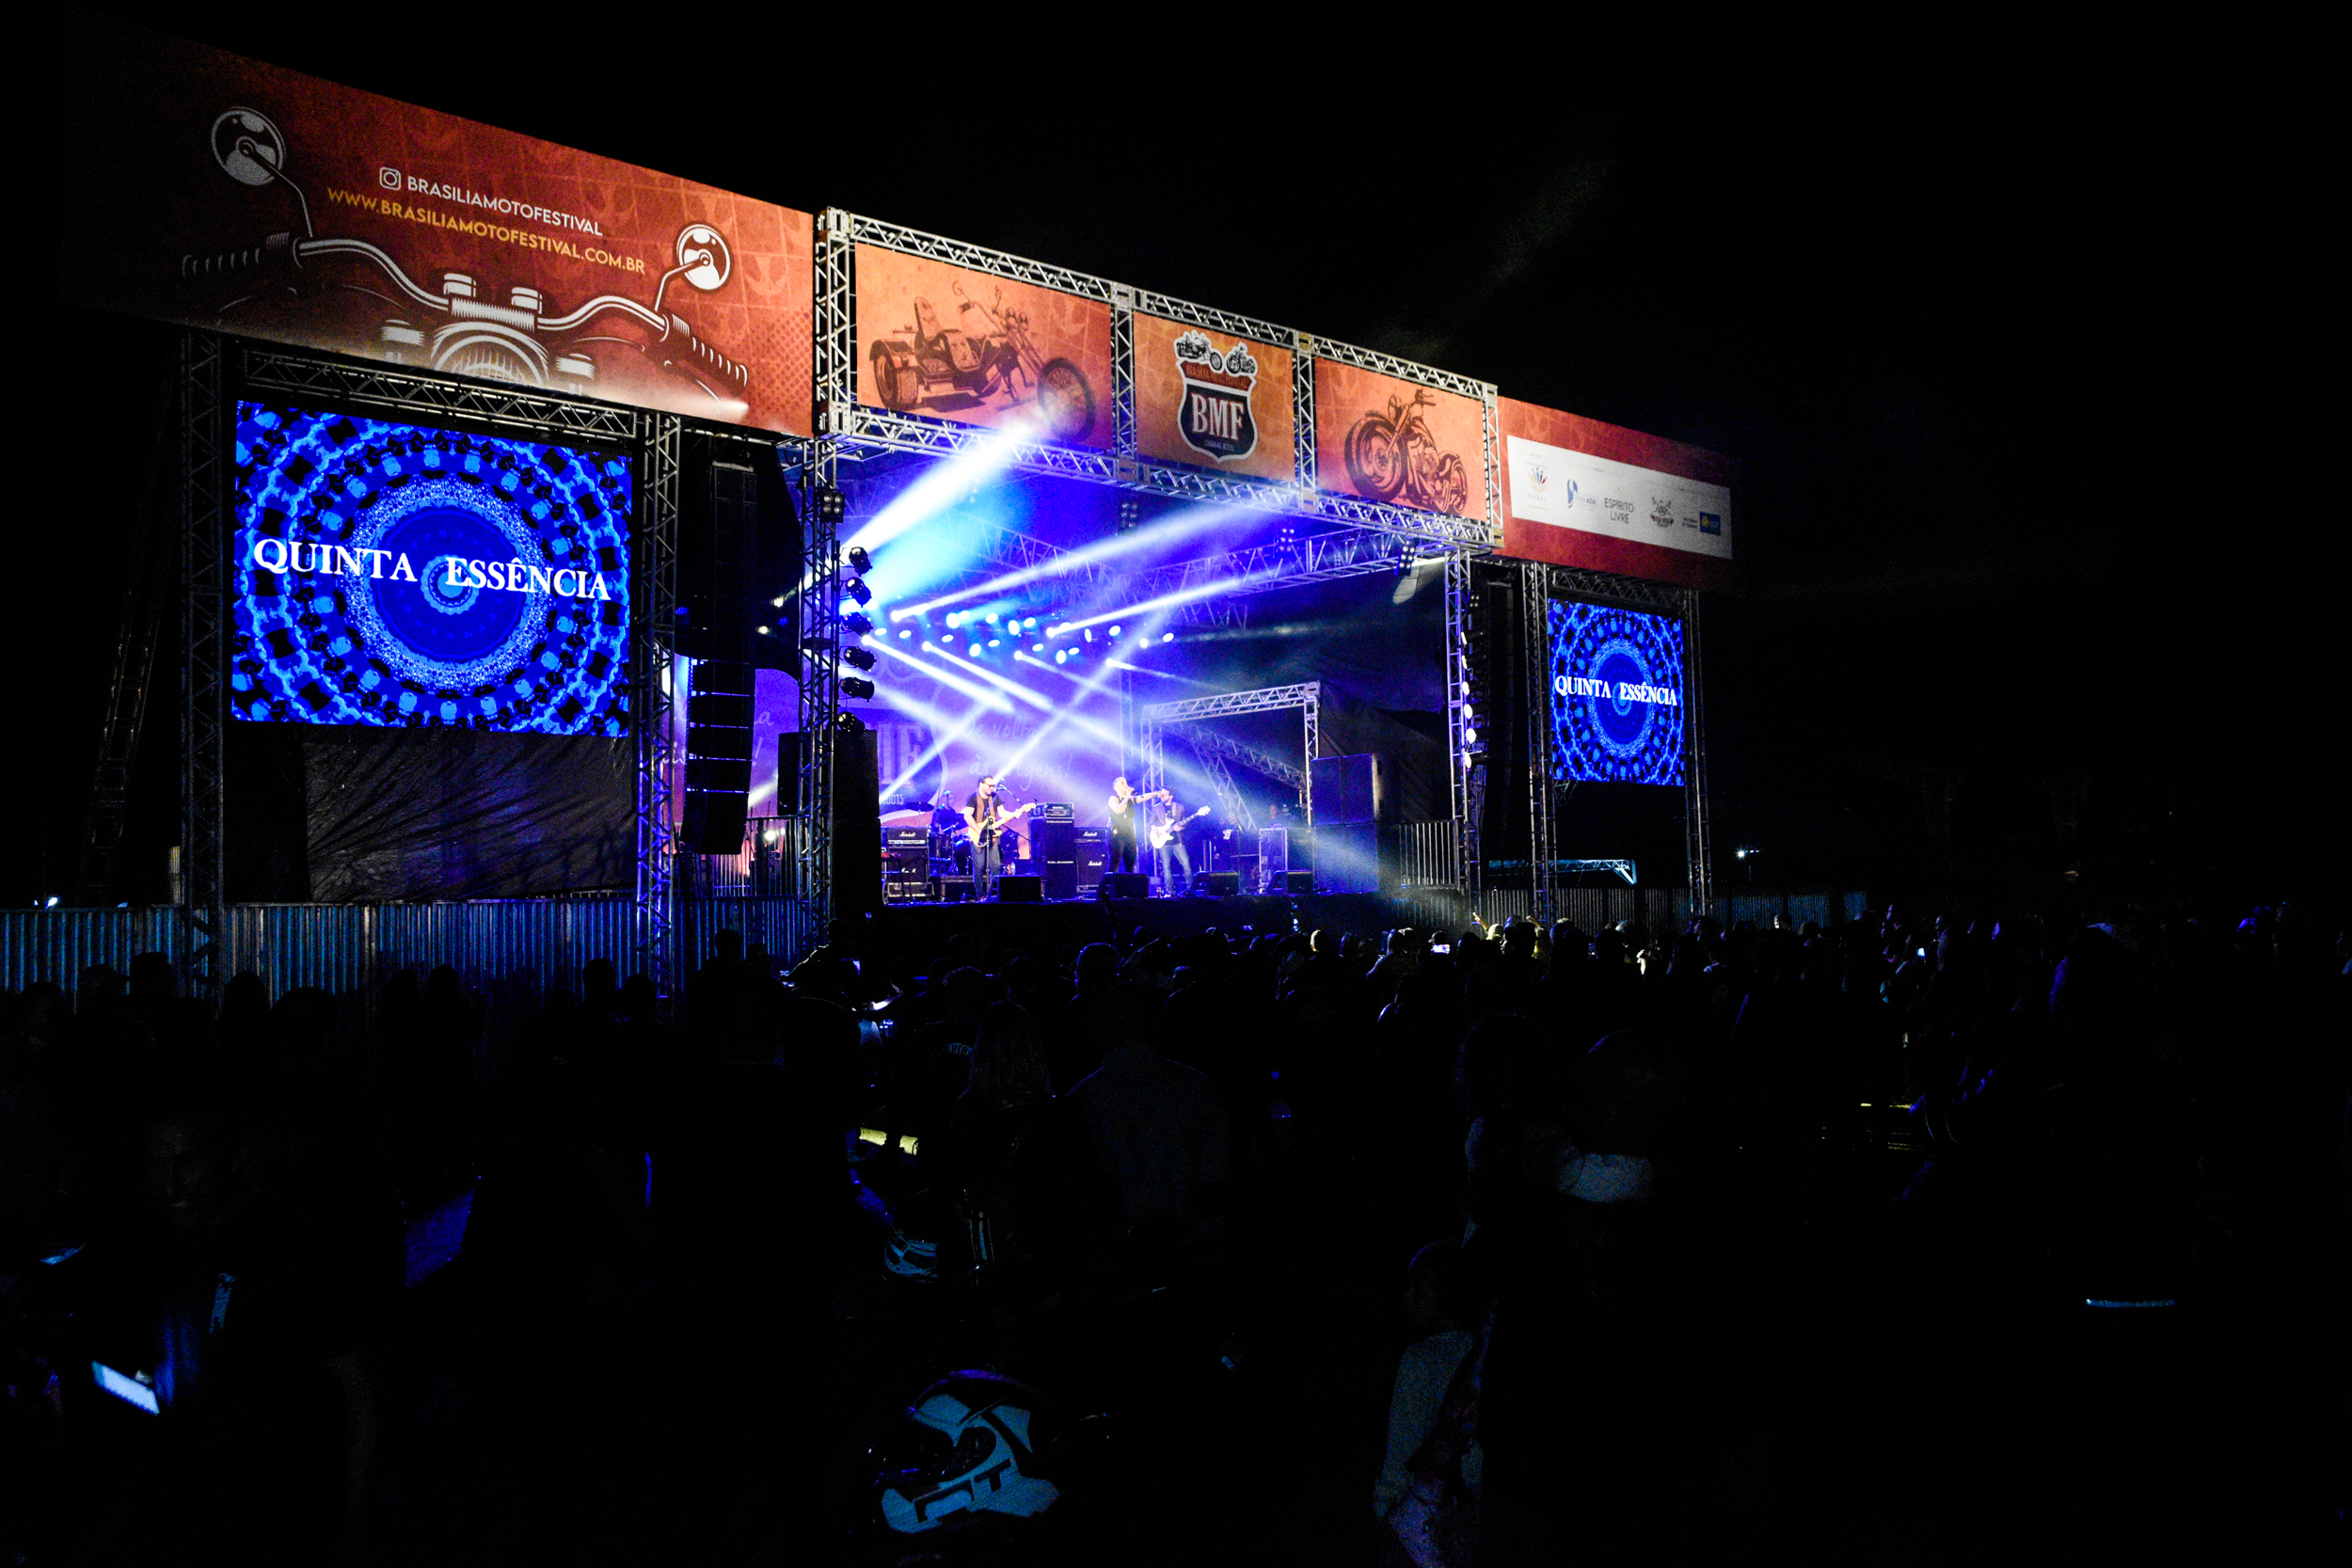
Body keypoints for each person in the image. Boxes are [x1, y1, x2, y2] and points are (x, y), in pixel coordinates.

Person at [1104, 776, 1166, 877]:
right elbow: (1119, 810)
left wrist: (1155, 793)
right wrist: (1127, 796)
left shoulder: (1129, 799)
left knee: (1131, 863)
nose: (1126, 785)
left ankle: (1129, 885)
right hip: (1116, 834)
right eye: (1123, 783)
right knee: (1115, 863)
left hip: (1129, 834)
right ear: (1116, 787)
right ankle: (1105, 886)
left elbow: (1142, 797)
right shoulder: (1113, 798)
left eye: (1126, 782)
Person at [966, 775, 1005, 897]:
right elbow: (967, 816)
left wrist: (1016, 813)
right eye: (989, 785)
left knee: (996, 867)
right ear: (981, 784)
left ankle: (992, 895)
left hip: (993, 837)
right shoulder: (973, 798)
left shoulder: (995, 797)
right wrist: (979, 831)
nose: (992, 788)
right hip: (978, 836)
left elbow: (1003, 813)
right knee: (979, 867)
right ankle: (981, 895)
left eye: (993, 786)